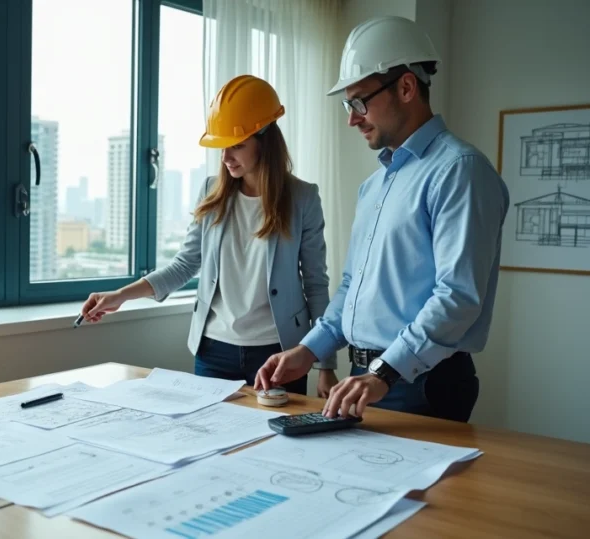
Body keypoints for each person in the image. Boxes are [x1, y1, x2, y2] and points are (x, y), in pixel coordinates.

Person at [254, 16, 509, 423]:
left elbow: (458, 296)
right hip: (368, 378)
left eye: (359, 102)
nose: (352, 118)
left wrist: (385, 372)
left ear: (406, 88)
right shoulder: (375, 186)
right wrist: (309, 349)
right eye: (348, 105)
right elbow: (353, 288)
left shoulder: (459, 171)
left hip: (420, 382)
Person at [79, 74, 337, 396]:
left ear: (265, 141)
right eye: (222, 147)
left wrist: (326, 365)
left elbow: (315, 283)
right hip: (214, 351)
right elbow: (185, 264)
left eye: (237, 146)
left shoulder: (302, 198)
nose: (226, 157)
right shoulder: (211, 192)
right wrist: (119, 296)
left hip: (279, 352)